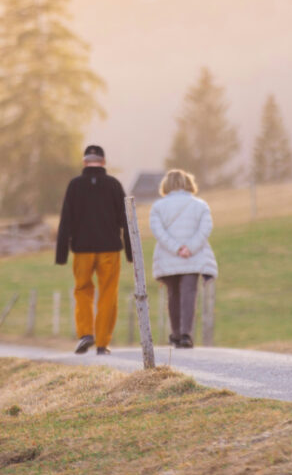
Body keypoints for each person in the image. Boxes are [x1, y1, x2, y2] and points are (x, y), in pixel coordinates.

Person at [56, 144, 132, 355]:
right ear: (104, 162)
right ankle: (102, 343)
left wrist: (61, 254)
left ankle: (85, 334)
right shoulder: (114, 185)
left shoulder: (75, 186)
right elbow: (127, 219)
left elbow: (66, 220)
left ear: (84, 162)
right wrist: (131, 253)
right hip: (109, 249)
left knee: (82, 290)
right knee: (108, 293)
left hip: (82, 250)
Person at [149, 169, 217, 348]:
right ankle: (186, 334)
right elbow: (205, 229)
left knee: (173, 295)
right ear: (188, 183)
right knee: (189, 294)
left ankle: (176, 334)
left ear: (166, 184)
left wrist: (176, 248)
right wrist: (189, 248)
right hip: (192, 258)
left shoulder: (158, 207)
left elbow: (158, 231)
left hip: (168, 256)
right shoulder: (200, 205)